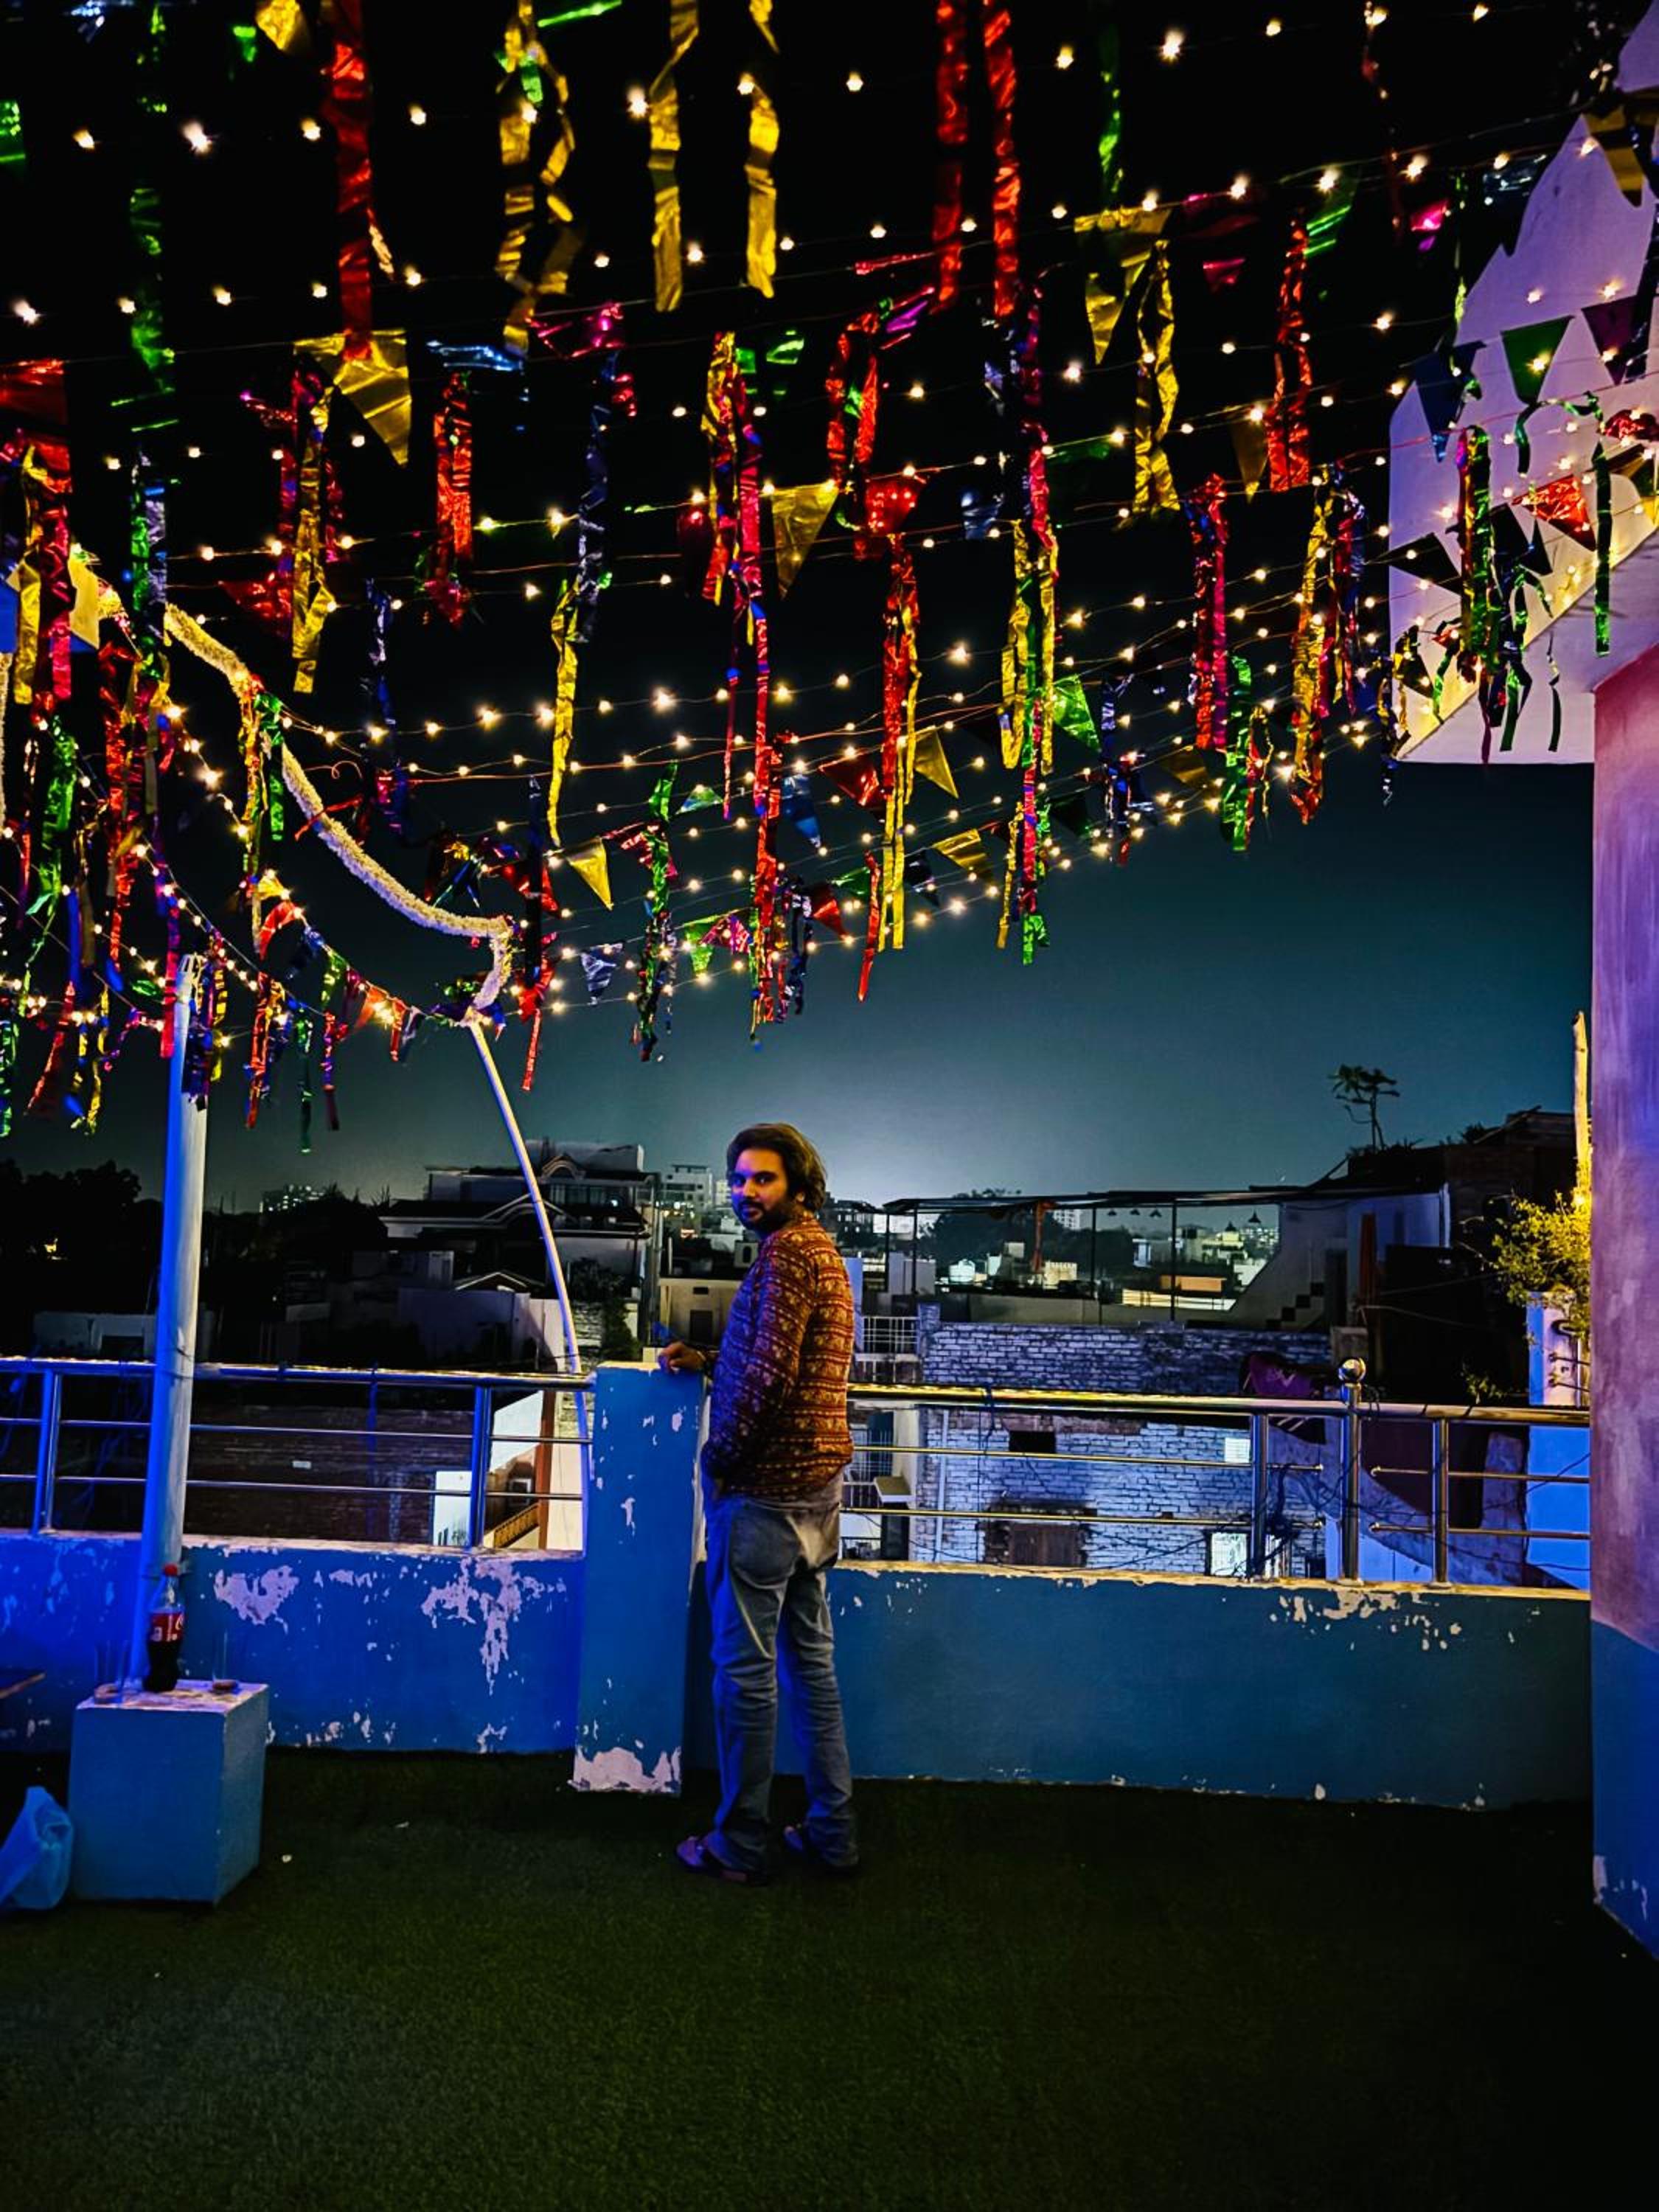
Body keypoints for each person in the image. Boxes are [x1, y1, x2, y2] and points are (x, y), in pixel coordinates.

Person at [659, 1122, 859, 1884]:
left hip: (767, 1493)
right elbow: (783, 1360)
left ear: (799, 1187)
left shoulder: (784, 1257)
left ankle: (740, 1843)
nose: (747, 1192)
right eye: (739, 1178)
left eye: (763, 1179)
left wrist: (721, 1461)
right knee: (812, 1668)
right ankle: (833, 1833)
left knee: (744, 1673)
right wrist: (711, 1359)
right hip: (818, 1492)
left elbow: (770, 1381)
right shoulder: (822, 1254)